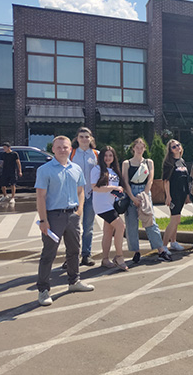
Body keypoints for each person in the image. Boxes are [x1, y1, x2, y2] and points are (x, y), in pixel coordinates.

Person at [35, 136, 94, 306]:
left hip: (72, 215)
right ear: (53, 149)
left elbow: (80, 191)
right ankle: (43, 290)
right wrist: (43, 220)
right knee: (49, 254)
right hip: (53, 217)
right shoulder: (45, 170)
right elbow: (40, 196)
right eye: (59, 147)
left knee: (74, 250)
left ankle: (74, 281)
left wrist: (79, 211)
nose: (62, 150)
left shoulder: (76, 168)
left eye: (65, 147)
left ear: (70, 149)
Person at [122, 138, 172, 263]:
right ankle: (136, 251)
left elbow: (150, 179)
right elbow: (125, 181)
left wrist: (144, 195)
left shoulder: (148, 162)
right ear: (133, 148)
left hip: (144, 191)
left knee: (150, 221)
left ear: (144, 149)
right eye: (137, 147)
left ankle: (160, 250)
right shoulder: (127, 163)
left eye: (141, 147)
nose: (139, 150)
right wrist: (132, 197)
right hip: (131, 191)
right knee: (131, 224)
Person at [91, 146, 128, 271]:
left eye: (110, 155)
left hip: (112, 204)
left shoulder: (114, 171)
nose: (108, 158)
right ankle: (119, 256)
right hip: (102, 205)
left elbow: (117, 187)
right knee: (120, 226)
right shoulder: (96, 169)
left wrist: (119, 189)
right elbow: (95, 188)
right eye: (105, 155)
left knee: (108, 232)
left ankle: (105, 259)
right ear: (101, 157)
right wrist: (113, 188)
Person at [67, 127, 98, 267]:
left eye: (87, 136)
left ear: (91, 138)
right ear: (77, 139)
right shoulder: (71, 154)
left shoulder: (96, 154)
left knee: (88, 227)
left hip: (91, 195)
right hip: (74, 196)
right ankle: (71, 257)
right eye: (81, 137)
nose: (84, 139)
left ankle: (86, 255)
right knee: (72, 228)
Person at [162, 139, 190, 252]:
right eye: (174, 147)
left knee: (176, 219)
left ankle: (173, 242)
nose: (177, 147)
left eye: (178, 145)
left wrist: (187, 194)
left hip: (182, 194)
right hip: (174, 194)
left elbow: (185, 179)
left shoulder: (182, 161)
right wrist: (168, 196)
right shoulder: (169, 163)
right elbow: (166, 181)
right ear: (170, 150)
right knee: (175, 219)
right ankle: (164, 245)